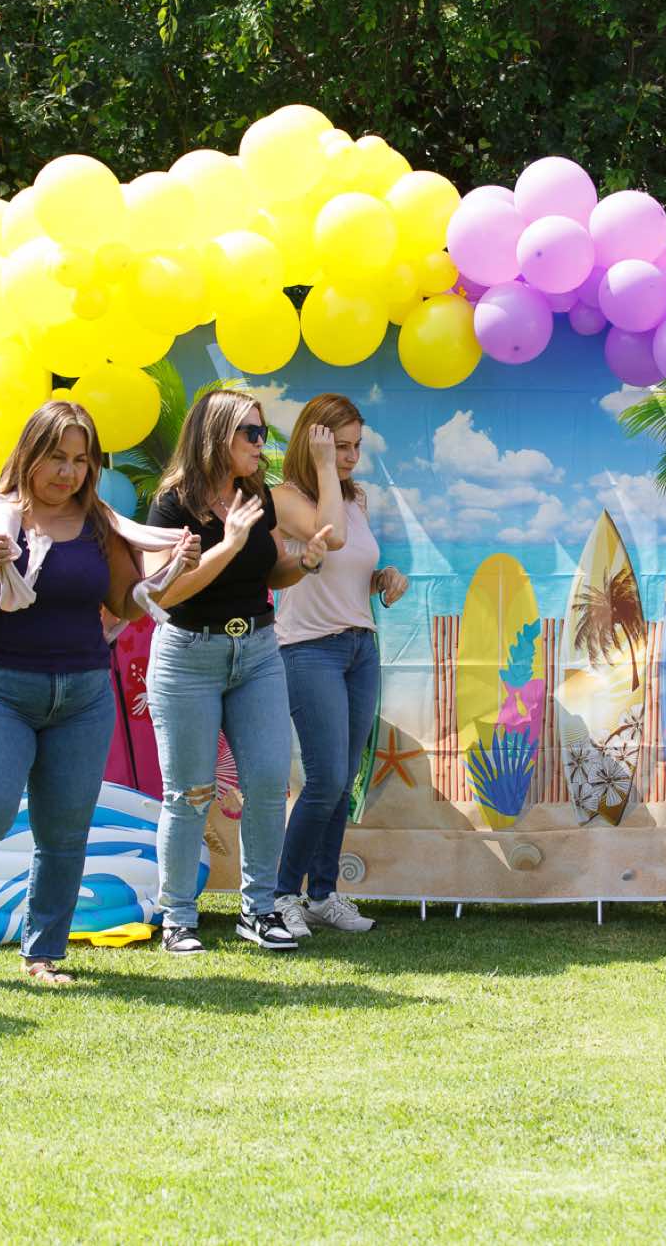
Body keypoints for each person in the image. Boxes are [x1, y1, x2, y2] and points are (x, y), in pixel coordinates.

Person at [0, 401, 195, 987]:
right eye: (56, 458)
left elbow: (124, 605)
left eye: (80, 460)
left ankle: (43, 953)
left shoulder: (100, 523)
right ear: (30, 454)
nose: (68, 472)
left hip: (83, 695)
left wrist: (169, 570)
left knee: (64, 829)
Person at [144, 390, 333, 955]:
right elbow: (164, 593)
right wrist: (227, 545)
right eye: (250, 433)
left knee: (270, 782)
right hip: (188, 656)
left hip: (256, 651)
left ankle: (259, 911)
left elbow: (271, 573)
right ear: (216, 437)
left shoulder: (256, 497)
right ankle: (178, 918)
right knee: (190, 792)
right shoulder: (172, 505)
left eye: (263, 432)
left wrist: (304, 562)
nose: (261, 444)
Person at [272, 396, 409, 938]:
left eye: (356, 446)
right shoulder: (284, 497)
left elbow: (348, 567)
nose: (351, 457)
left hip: (359, 649)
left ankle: (323, 894)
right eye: (340, 446)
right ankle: (281, 896)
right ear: (314, 442)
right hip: (309, 650)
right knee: (325, 778)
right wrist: (324, 467)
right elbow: (330, 539)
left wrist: (383, 578)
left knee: (342, 780)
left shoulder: (357, 499)